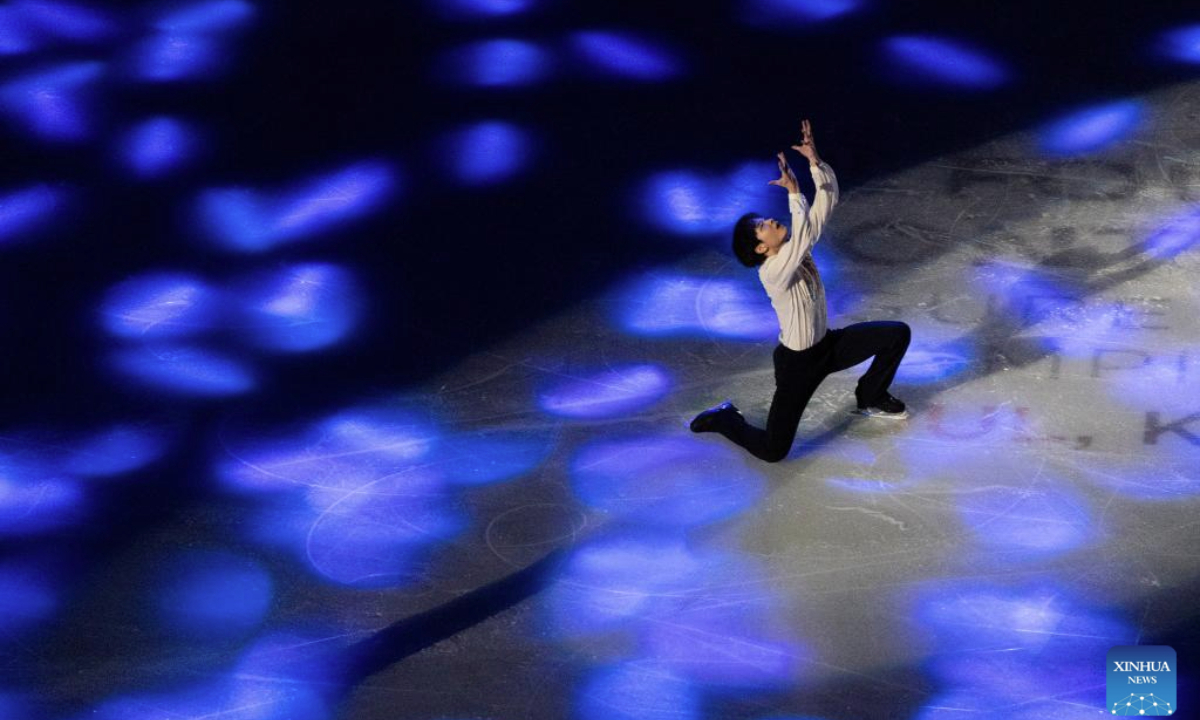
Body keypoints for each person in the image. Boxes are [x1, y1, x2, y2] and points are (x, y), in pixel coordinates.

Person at [690, 119, 911, 463]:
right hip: (799, 365)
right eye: (762, 227)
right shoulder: (773, 271)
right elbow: (806, 233)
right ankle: (725, 418)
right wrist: (794, 192)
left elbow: (825, 206)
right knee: (773, 450)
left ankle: (870, 394)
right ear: (762, 249)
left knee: (896, 334)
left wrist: (815, 163)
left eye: (764, 219)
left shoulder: (793, 249)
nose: (769, 222)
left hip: (829, 345)